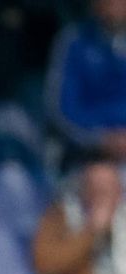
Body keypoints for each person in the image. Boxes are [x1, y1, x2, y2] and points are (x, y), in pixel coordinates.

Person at [48, 0, 126, 162]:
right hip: (89, 155)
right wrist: (101, 140)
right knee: (100, 180)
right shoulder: (74, 41)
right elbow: (61, 110)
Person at [32, 158, 126, 274]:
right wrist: (92, 233)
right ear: (83, 191)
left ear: (119, 192)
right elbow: (45, 267)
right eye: (95, 189)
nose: (101, 197)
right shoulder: (61, 215)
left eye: (107, 189)